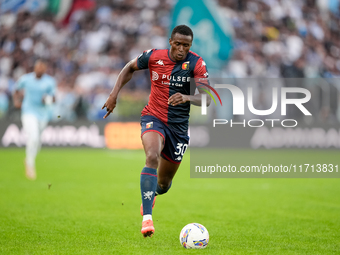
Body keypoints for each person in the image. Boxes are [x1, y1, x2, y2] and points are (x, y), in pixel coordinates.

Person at [102, 25, 211, 238]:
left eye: (186, 46)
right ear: (170, 41)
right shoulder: (154, 57)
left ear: (190, 46)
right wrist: (114, 94)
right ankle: (147, 219)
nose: (181, 49)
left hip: (178, 129)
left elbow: (207, 98)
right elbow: (128, 68)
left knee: (164, 184)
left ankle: (153, 194)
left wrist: (188, 97)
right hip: (153, 117)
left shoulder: (197, 63)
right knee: (151, 156)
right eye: (178, 44)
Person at [13, 60, 57, 180]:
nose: (39, 69)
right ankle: (30, 165)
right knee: (33, 137)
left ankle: (29, 159)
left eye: (42, 68)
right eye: (38, 67)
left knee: (37, 142)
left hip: (43, 114)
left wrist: (47, 99)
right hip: (28, 112)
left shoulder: (49, 82)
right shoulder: (26, 79)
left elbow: (53, 99)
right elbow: (16, 90)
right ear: (35, 68)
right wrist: (16, 102)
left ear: (45, 69)